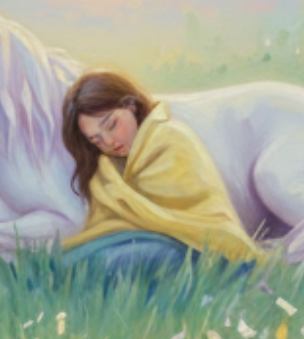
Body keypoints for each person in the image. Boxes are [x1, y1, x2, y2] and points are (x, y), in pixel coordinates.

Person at [57, 69, 264, 274]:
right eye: (96, 139)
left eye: (112, 125)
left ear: (131, 105)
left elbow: (183, 222)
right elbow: (109, 228)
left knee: (108, 262)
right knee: (71, 260)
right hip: (150, 244)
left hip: (202, 248)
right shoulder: (106, 169)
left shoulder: (170, 138)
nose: (109, 142)